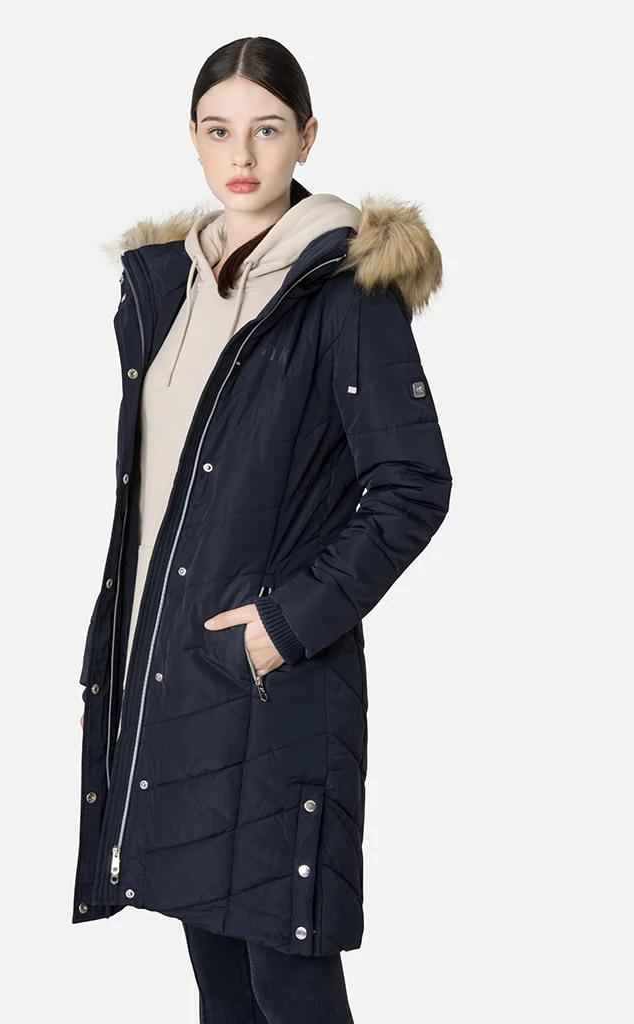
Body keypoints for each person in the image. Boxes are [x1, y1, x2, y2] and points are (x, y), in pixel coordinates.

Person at [72, 35, 452, 1024]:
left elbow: (413, 485)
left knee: (290, 981)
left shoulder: (343, 290)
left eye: (268, 129)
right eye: (219, 130)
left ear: (307, 137)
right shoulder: (171, 289)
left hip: (277, 689)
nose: (241, 155)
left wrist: (285, 625)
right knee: (223, 988)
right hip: (179, 682)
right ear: (194, 138)